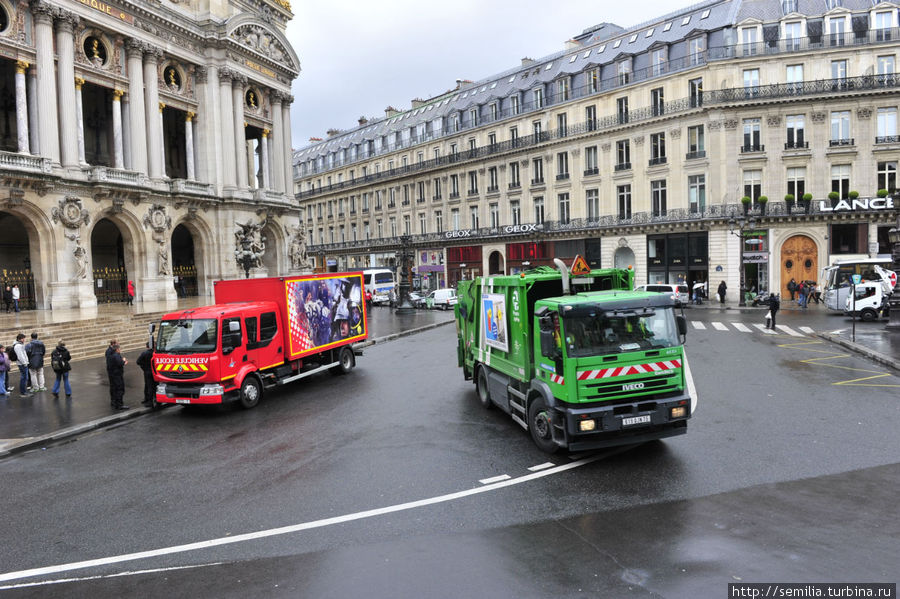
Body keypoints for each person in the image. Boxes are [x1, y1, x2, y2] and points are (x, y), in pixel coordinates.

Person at [106, 342, 128, 410]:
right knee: (120, 389)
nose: (120, 350)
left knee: (115, 389)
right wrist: (124, 361)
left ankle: (115, 402)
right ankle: (119, 404)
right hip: (117, 375)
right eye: (119, 349)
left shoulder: (110, 355)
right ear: (117, 349)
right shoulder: (116, 355)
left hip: (113, 374)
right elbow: (119, 363)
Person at [136, 342, 156, 407]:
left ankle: (149, 400)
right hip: (155, 372)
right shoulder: (155, 353)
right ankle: (155, 399)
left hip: (147, 372)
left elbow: (138, 361)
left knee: (148, 386)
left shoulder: (144, 353)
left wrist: (144, 367)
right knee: (155, 385)